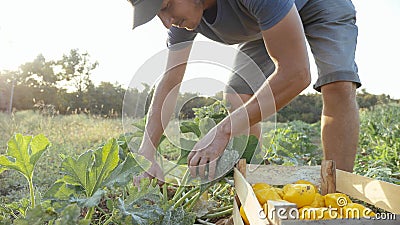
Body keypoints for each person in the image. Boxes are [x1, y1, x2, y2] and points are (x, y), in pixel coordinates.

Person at [128, 0, 361, 183]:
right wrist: (146, 151)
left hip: (318, 5)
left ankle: (338, 189)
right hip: (266, 24)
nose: (167, 22)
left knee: (337, 84)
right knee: (237, 95)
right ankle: (253, 179)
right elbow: (170, 81)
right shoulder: (182, 21)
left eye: (167, 7)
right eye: (158, 14)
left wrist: (224, 131)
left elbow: (296, 74)